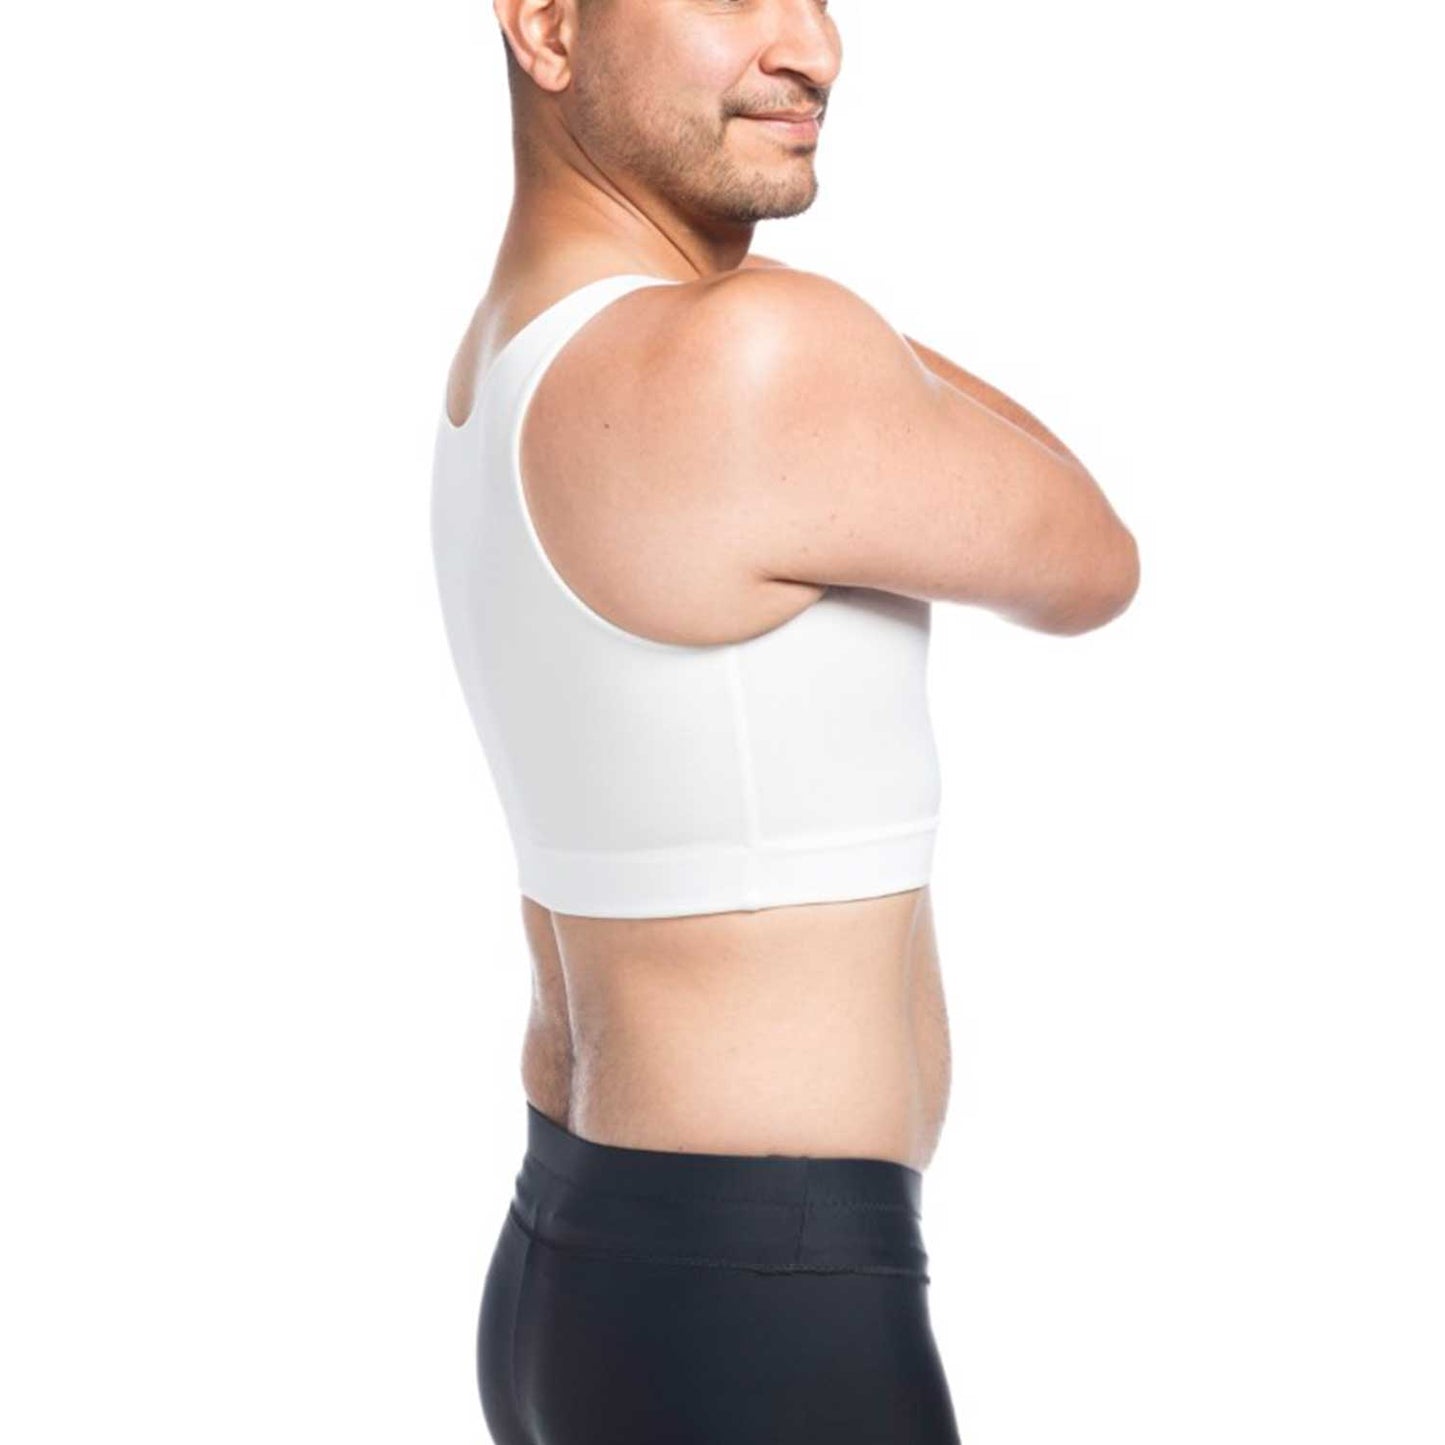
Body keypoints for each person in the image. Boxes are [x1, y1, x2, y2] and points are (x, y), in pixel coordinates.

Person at [429, 2, 1140, 1440]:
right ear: (548, 26)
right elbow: (1094, 563)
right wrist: (805, 320)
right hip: (763, 1308)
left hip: (577, 1264)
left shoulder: (505, 358)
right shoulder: (764, 353)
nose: (811, 46)